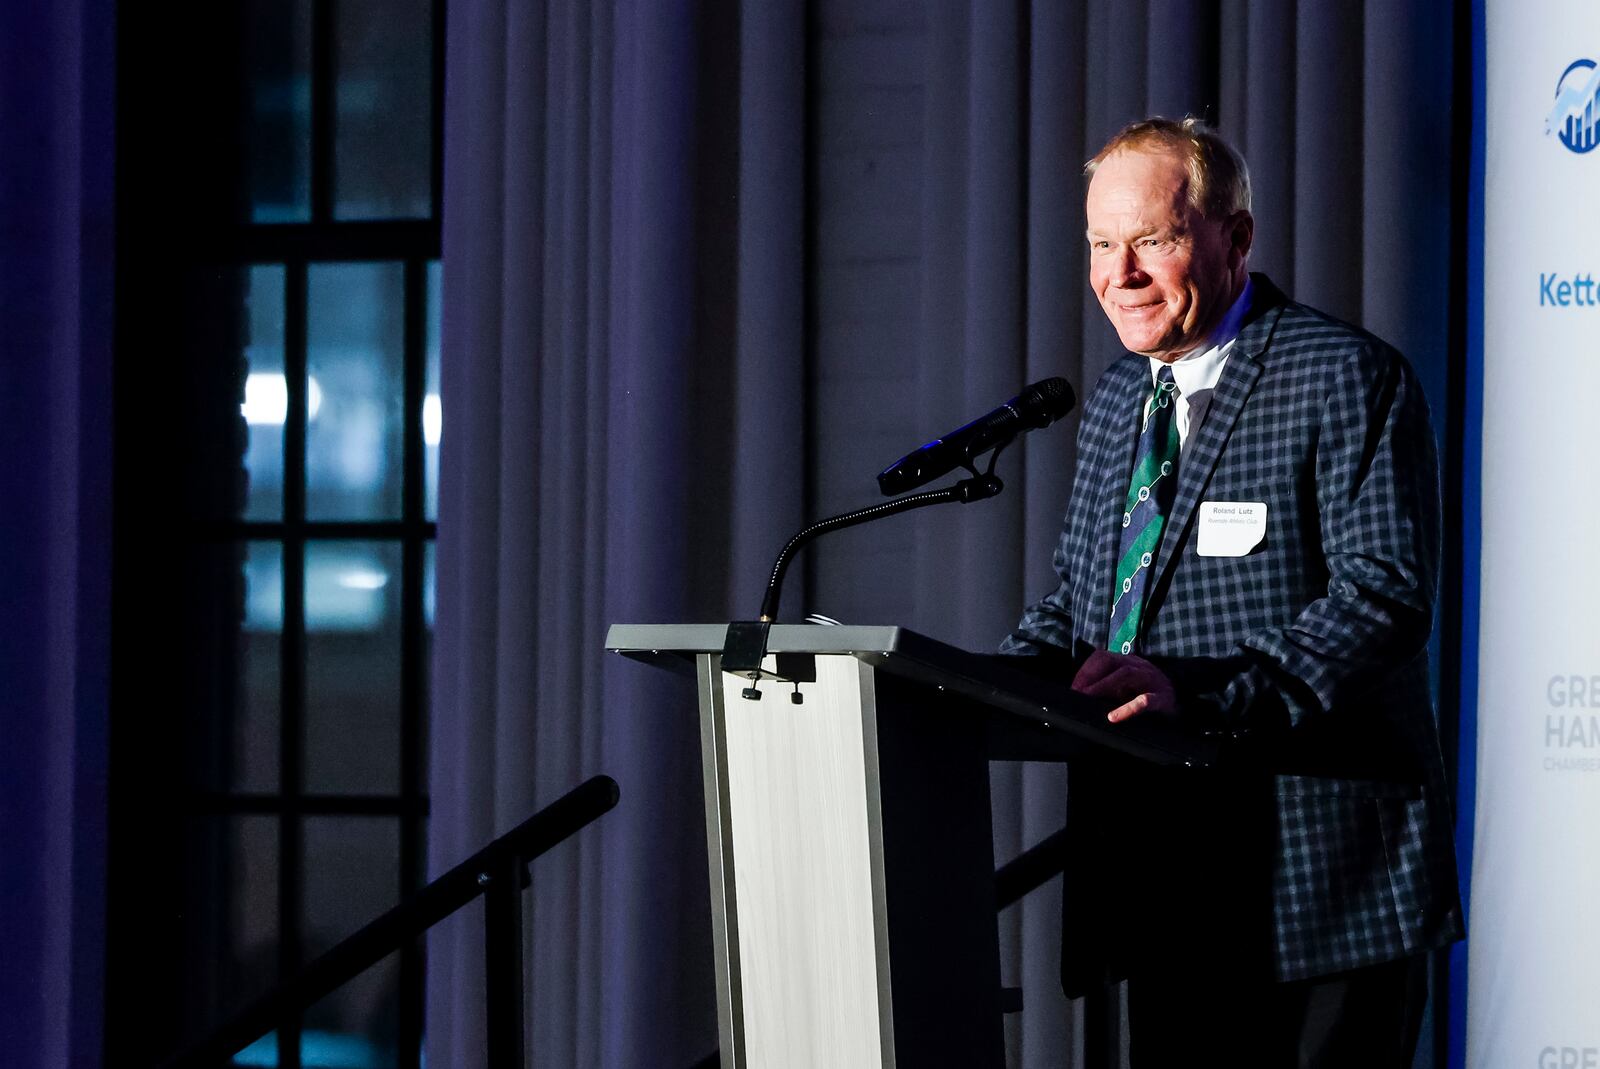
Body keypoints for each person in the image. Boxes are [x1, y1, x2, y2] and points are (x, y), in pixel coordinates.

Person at [1001, 118, 1462, 1066]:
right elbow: (1083, 609)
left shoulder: (1344, 377)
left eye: (1153, 240)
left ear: (1235, 240)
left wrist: (1205, 699)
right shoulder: (1120, 407)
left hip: (1316, 885)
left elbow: (1384, 597)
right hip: (1161, 884)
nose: (1118, 272)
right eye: (1100, 244)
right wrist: (966, 686)